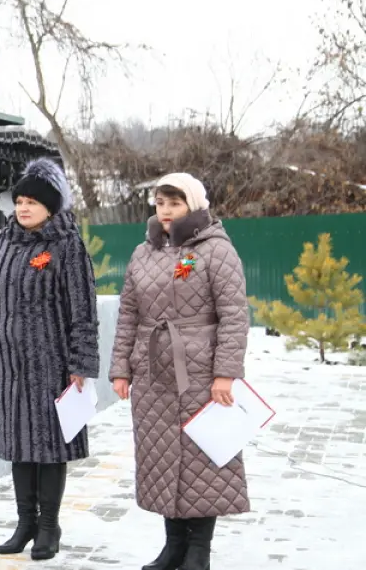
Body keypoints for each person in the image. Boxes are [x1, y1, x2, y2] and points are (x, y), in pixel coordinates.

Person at [109, 173, 250, 570]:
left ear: (194, 206)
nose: (166, 211)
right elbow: (129, 315)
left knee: (203, 458)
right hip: (153, 373)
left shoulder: (215, 250)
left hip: (201, 372)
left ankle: (198, 551)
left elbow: (234, 316)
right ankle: (173, 546)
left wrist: (225, 373)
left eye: (175, 203)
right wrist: (121, 367)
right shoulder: (143, 253)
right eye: (160, 203)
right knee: (161, 456)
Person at [0, 157, 100, 562]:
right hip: (9, 363)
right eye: (20, 201)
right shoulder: (2, 243)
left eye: (32, 202)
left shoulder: (66, 245)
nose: (23, 208)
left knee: (48, 448)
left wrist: (82, 363)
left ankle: (49, 527)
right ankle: (25, 522)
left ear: (51, 206)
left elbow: (83, 310)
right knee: (19, 446)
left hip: (53, 363)